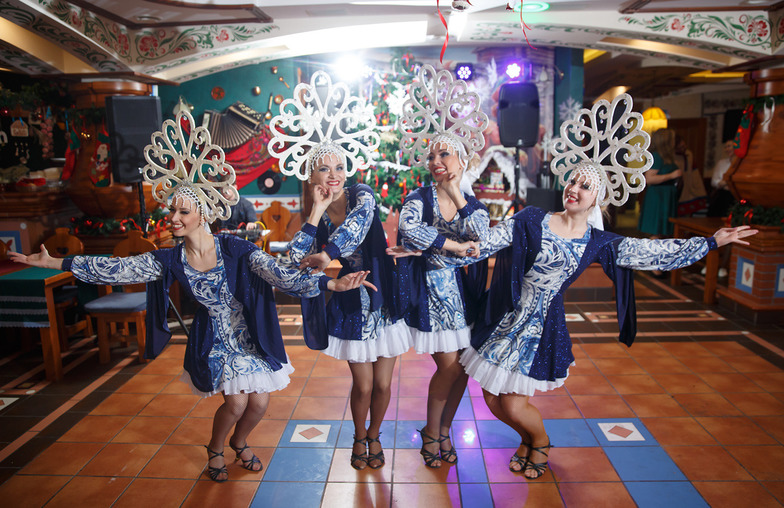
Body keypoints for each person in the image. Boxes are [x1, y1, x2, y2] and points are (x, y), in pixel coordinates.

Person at [11, 110, 375, 483]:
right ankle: (215, 449)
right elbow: (117, 268)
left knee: (259, 402)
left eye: (182, 211)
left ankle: (239, 442)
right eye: (172, 210)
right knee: (237, 401)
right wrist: (55, 262)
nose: (173, 217)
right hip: (212, 341)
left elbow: (281, 274)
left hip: (250, 336)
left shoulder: (234, 249)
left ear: (201, 215)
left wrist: (330, 283)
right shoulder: (169, 259)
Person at [268, 71, 409, 470]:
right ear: (311, 177)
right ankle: (358, 437)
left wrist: (326, 252)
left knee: (383, 383)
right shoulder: (315, 216)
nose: (333, 175)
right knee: (363, 385)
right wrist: (315, 211)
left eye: (339, 167)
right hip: (349, 302)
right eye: (324, 169)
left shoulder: (362, 195)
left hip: (383, 297)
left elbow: (357, 229)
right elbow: (294, 262)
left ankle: (375, 437)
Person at [395, 64, 489, 468]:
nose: (435, 160)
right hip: (431, 293)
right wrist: (454, 244)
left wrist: (456, 192)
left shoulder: (473, 203)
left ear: (462, 159)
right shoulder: (419, 198)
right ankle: (432, 432)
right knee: (450, 366)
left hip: (463, 295)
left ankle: (444, 430)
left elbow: (480, 237)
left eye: (444, 153)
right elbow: (408, 230)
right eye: (432, 154)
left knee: (462, 368)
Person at [638, 128, 682, 237]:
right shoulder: (656, 156)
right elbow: (649, 178)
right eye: (672, 139)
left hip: (667, 195)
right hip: (659, 196)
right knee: (656, 231)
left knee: (664, 232)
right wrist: (671, 175)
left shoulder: (667, 157)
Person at [707, 139, 736, 218]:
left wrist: (726, 182)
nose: (727, 149)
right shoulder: (721, 163)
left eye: (729, 146)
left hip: (736, 196)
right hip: (722, 195)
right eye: (725, 147)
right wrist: (723, 183)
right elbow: (714, 181)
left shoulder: (741, 163)